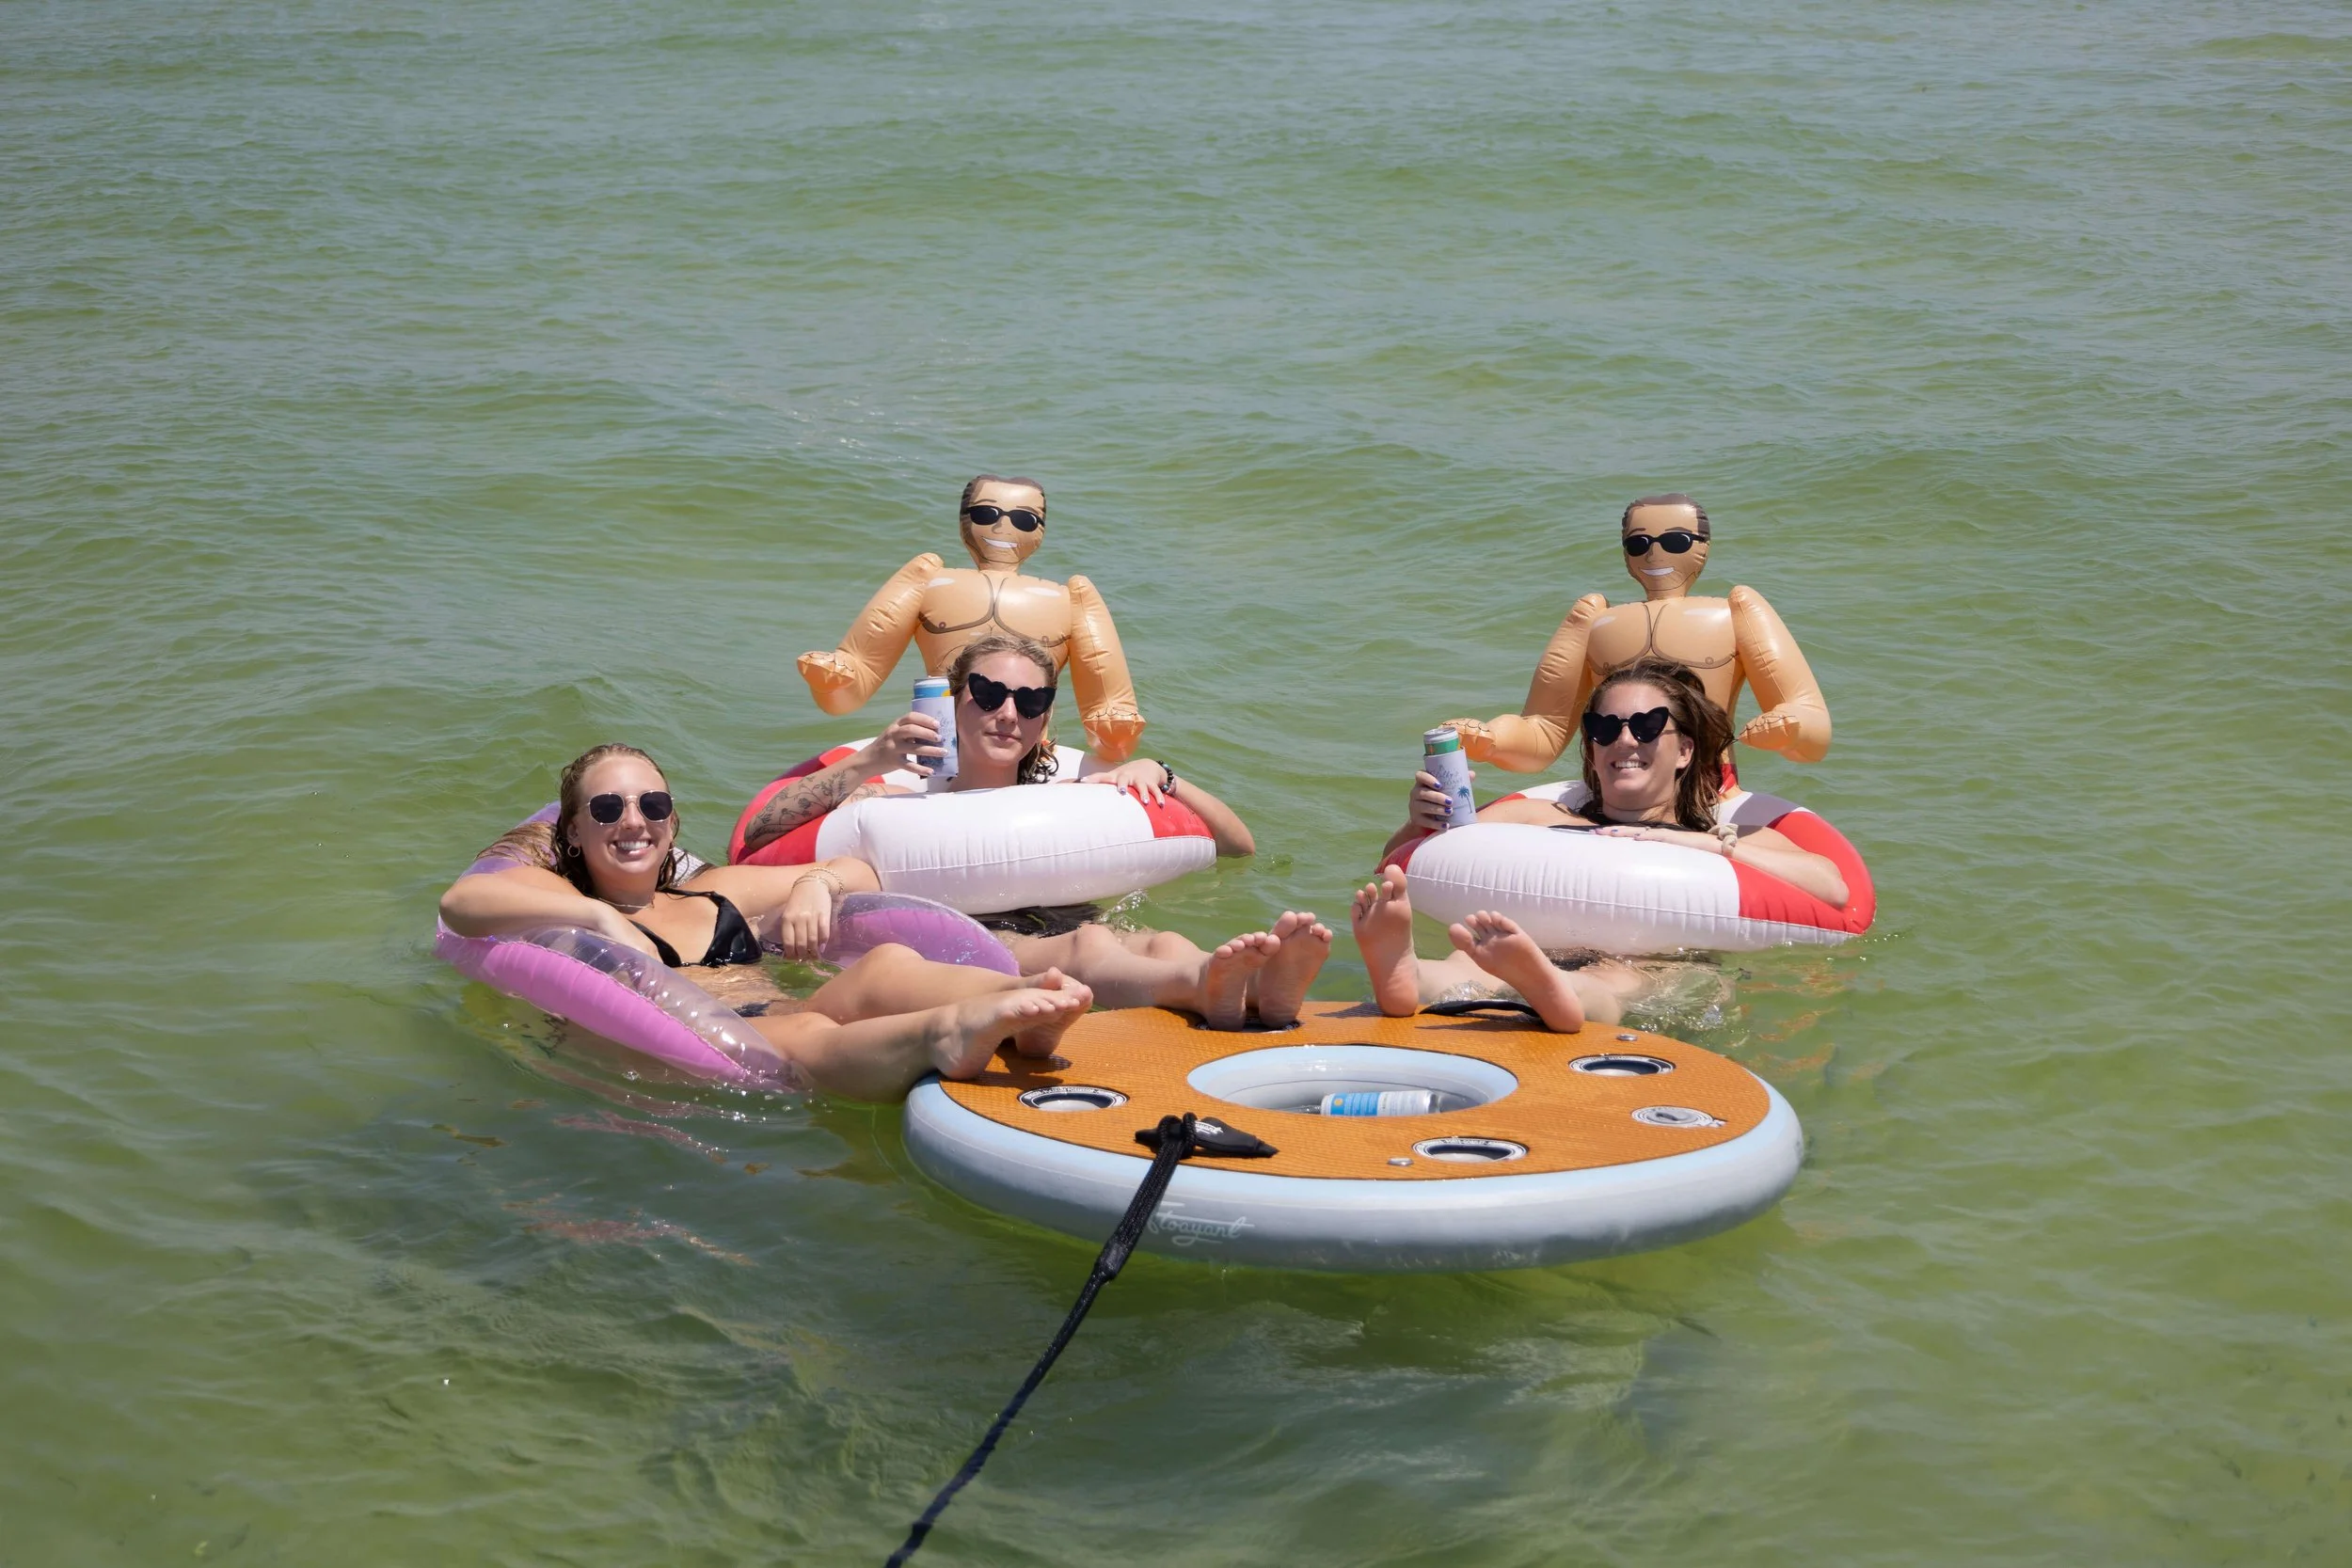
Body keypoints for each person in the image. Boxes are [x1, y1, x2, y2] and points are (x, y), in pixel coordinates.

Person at [438, 744, 1093, 1101]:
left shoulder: (713, 890)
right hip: (732, 1048)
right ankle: (950, 1035)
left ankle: (1020, 1007)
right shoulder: (566, 904)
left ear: (672, 821)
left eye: (653, 803)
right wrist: (596, 915)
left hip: (786, 1010)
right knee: (809, 1024)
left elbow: (860, 872)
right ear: (575, 832)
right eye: (608, 807)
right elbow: (462, 906)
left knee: (883, 968)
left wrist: (816, 882)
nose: (633, 820)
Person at [741, 632, 1329, 1030]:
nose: (1008, 714)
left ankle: (1244, 989)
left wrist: (1165, 778)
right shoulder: (902, 794)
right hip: (975, 936)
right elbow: (758, 842)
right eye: (990, 694)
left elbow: (1237, 849)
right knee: (1085, 948)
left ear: (1047, 715)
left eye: (1031, 700)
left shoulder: (1074, 789)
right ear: (955, 703)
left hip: (1074, 919)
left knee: (1155, 939)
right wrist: (864, 772)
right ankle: (1209, 983)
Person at [1357, 657, 1850, 1027]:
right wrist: (1418, 823)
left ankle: (1558, 993)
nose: (1625, 740)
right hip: (1538, 943)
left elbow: (1832, 889)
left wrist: (1714, 848)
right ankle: (1409, 975)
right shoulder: (1537, 815)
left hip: (1652, 958)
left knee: (1633, 977)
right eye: (1604, 727)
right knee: (1471, 960)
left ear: (1685, 750)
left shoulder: (1723, 834)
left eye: (1648, 725)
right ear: (1591, 746)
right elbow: (1410, 866)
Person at [1446, 494, 1833, 773]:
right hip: (1612, 788)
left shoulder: (1736, 611)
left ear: (1703, 548)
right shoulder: (1592, 619)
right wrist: (1492, 739)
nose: (1654, 553)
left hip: (1708, 787)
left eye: (1676, 541)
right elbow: (1543, 732)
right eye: (1639, 543)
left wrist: (1790, 728)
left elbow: (1808, 714)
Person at [795, 474, 1149, 759]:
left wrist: (1113, 728)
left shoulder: (1071, 598)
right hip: (938, 744)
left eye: (1024, 520)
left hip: (1024, 751)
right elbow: (866, 661)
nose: (1002, 528)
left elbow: (1105, 688)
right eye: (986, 514)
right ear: (966, 520)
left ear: (1040, 529)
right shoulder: (927, 578)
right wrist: (839, 677)